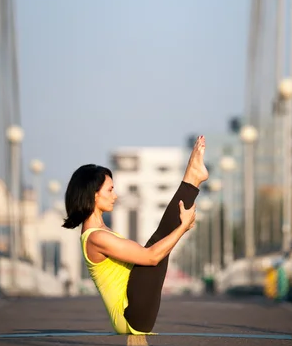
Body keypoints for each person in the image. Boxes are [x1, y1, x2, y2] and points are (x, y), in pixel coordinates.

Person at [63, 135, 209, 335]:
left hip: (135, 312)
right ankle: (192, 178)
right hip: (130, 315)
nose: (115, 195)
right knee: (154, 248)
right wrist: (181, 228)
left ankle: (193, 177)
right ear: (93, 195)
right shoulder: (96, 238)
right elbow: (151, 257)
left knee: (158, 242)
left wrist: (179, 229)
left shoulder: (102, 232)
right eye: (110, 190)